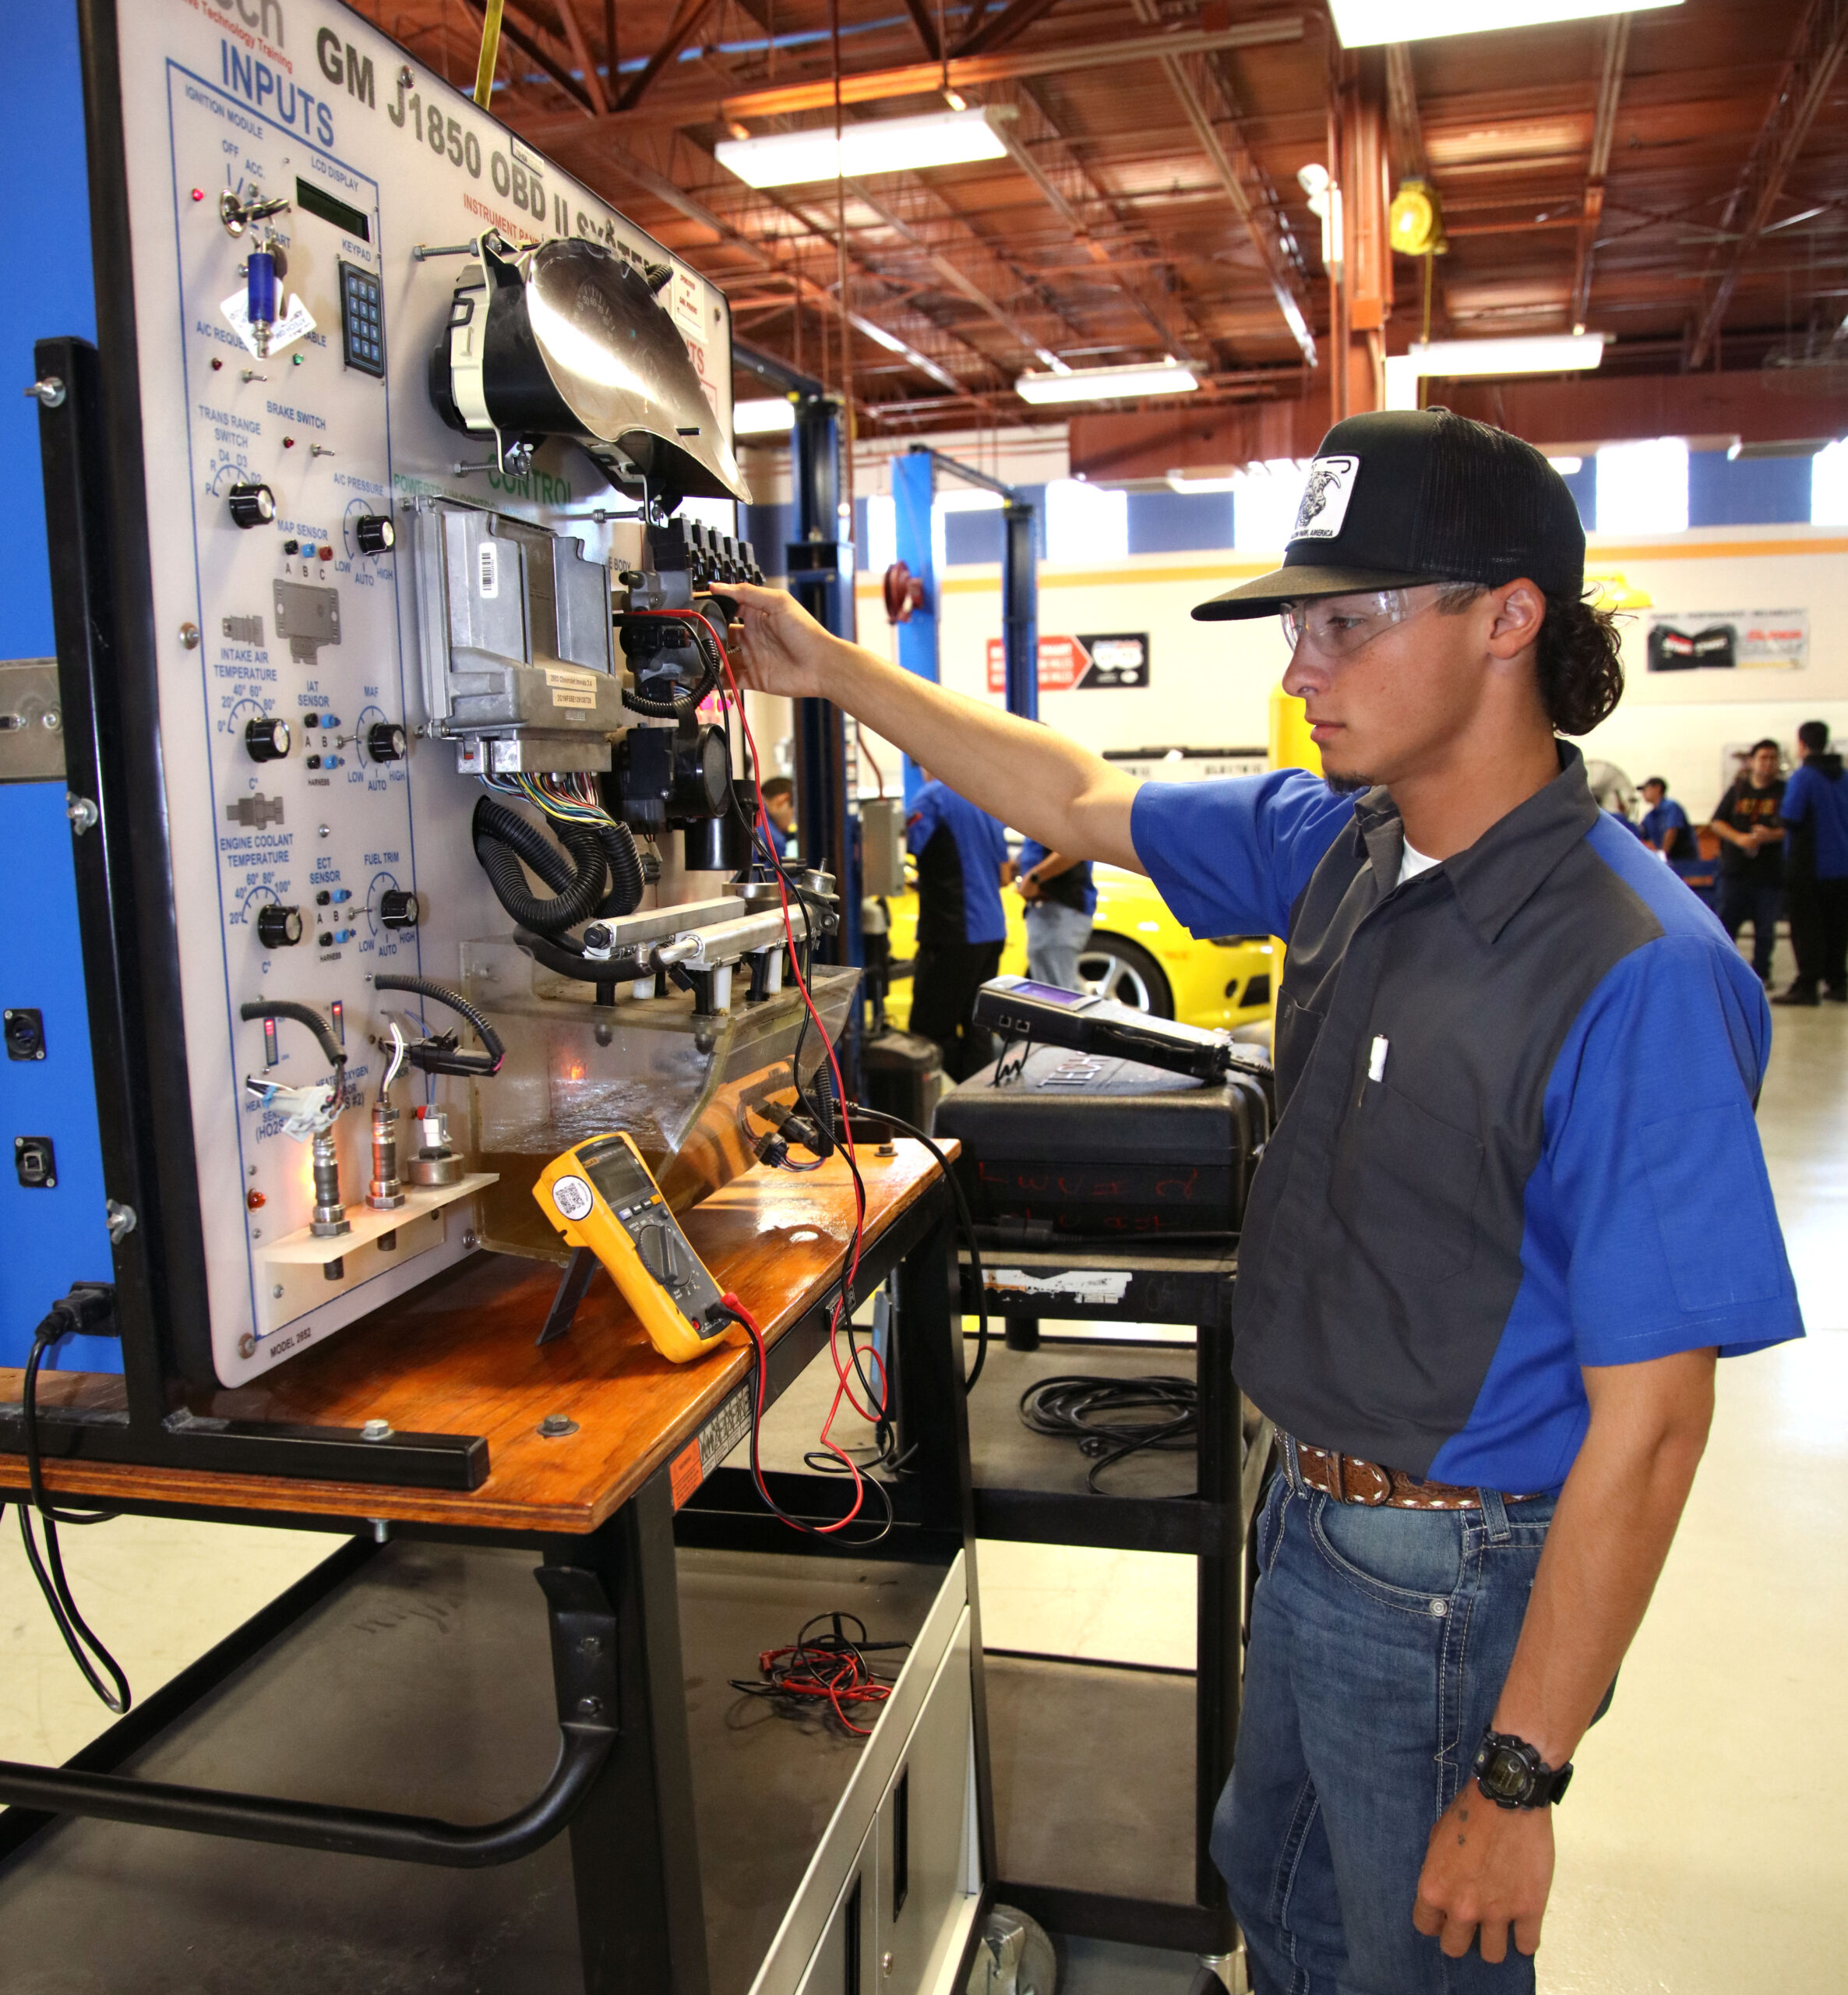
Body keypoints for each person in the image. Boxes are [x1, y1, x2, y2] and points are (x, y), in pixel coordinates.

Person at [726, 406, 1801, 1993]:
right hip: (1303, 1509)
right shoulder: (1344, 849)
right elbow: (1079, 797)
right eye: (1301, 622)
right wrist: (838, 670)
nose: (1302, 665)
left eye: (1346, 623)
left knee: (1411, 1957)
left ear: (1510, 617)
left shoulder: (1635, 972)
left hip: (1449, 1576)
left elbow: (1651, 1425)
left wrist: (1520, 1776)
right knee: (1275, 1896)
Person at [905, 769, 1012, 1080]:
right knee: (977, 1027)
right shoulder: (984, 799)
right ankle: (975, 1110)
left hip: (954, 932)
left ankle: (940, 1110)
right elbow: (1005, 874)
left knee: (930, 1029)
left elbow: (902, 854)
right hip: (991, 931)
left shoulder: (932, 799)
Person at [1773, 719, 1848, 1005]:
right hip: (1842, 867)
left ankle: (1807, 985)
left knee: (1806, 929)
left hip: (1810, 867)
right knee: (1837, 928)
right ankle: (1838, 982)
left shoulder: (1804, 777)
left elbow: (1791, 816)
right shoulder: (1843, 776)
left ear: (1801, 744)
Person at [1709, 739, 1786, 983]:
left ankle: (1762, 973)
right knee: (1725, 924)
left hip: (1769, 873)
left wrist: (1771, 836)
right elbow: (1717, 822)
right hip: (1735, 872)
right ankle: (1724, 972)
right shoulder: (1738, 790)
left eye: (1773, 758)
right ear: (1752, 762)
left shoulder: (1784, 791)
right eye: (1763, 757)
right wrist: (1739, 838)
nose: (1768, 763)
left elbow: (1795, 828)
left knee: (1765, 929)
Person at [1016, 839, 1095, 991]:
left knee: (1058, 996)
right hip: (1051, 911)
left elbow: (1076, 848)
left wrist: (1033, 877)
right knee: (1054, 991)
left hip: (1060, 909)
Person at [1637, 777, 1693, 860]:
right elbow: (1640, 834)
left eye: (1646, 789)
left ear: (1657, 788)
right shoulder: (1649, 816)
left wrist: (1663, 855)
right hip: (1668, 861)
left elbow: (1672, 830)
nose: (1643, 793)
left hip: (1684, 862)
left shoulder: (1671, 806)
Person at [759, 775, 796, 860]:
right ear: (782, 800)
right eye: (793, 813)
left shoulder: (751, 814)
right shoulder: (775, 840)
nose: (791, 821)